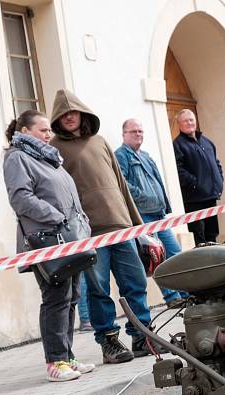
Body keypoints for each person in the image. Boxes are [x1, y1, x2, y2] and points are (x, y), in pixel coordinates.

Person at [50, 89, 150, 363]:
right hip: (90, 233)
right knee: (99, 289)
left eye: (73, 112)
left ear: (82, 113)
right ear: (57, 118)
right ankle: (109, 342)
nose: (69, 117)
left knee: (136, 283)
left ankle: (142, 336)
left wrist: (140, 230)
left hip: (121, 227)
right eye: (63, 114)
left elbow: (121, 185)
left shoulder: (100, 141)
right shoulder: (55, 148)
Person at [2, 110, 96, 381]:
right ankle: (55, 363)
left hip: (69, 237)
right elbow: (21, 199)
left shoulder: (48, 158)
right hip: (47, 238)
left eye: (48, 131)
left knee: (71, 297)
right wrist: (57, 217)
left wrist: (79, 220)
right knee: (56, 298)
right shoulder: (17, 157)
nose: (48, 135)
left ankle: (67, 357)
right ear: (25, 130)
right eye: (42, 130)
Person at [115, 118, 187, 308]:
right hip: (142, 216)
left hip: (159, 214)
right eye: (133, 131)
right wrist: (143, 197)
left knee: (175, 253)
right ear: (124, 135)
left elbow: (158, 182)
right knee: (156, 258)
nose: (138, 134)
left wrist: (163, 203)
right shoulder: (120, 155)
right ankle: (172, 297)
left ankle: (187, 291)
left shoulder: (146, 156)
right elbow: (122, 184)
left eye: (140, 131)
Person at [172, 109, 224, 245]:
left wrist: (219, 180)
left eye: (191, 120)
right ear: (179, 124)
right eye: (185, 121)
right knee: (199, 237)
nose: (189, 123)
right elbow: (178, 170)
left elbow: (216, 163)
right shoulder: (178, 145)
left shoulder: (206, 142)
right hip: (194, 200)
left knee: (212, 234)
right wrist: (195, 184)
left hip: (211, 196)